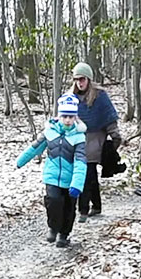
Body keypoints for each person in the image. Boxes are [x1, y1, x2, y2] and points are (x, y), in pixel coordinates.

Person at [16, 94, 87, 248]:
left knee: (69, 208)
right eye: (64, 116)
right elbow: (35, 147)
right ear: (59, 116)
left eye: (71, 116)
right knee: (53, 201)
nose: (67, 120)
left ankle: (64, 234)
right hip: (52, 176)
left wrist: (77, 184)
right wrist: (21, 161)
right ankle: (53, 227)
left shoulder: (79, 137)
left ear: (75, 118)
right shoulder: (50, 132)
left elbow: (81, 162)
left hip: (70, 180)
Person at [71, 62, 121, 223]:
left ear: (89, 79)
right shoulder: (71, 97)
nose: (80, 82)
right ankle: (97, 205)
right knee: (88, 175)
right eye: (77, 79)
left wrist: (115, 136)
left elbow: (109, 117)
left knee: (87, 174)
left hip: (95, 138)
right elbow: (64, 118)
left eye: (82, 79)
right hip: (77, 140)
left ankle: (83, 210)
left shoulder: (100, 96)